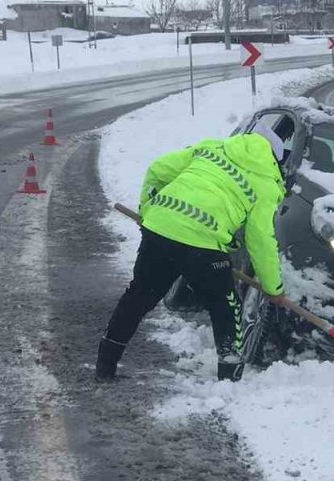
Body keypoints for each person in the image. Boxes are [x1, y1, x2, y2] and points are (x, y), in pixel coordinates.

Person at [97, 129, 288, 382]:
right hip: (204, 243)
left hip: (161, 229)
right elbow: (261, 240)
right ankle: (229, 380)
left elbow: (157, 169)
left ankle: (105, 366)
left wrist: (148, 210)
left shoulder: (210, 149)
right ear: (275, 159)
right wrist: (274, 288)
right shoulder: (266, 182)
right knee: (226, 308)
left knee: (139, 296)